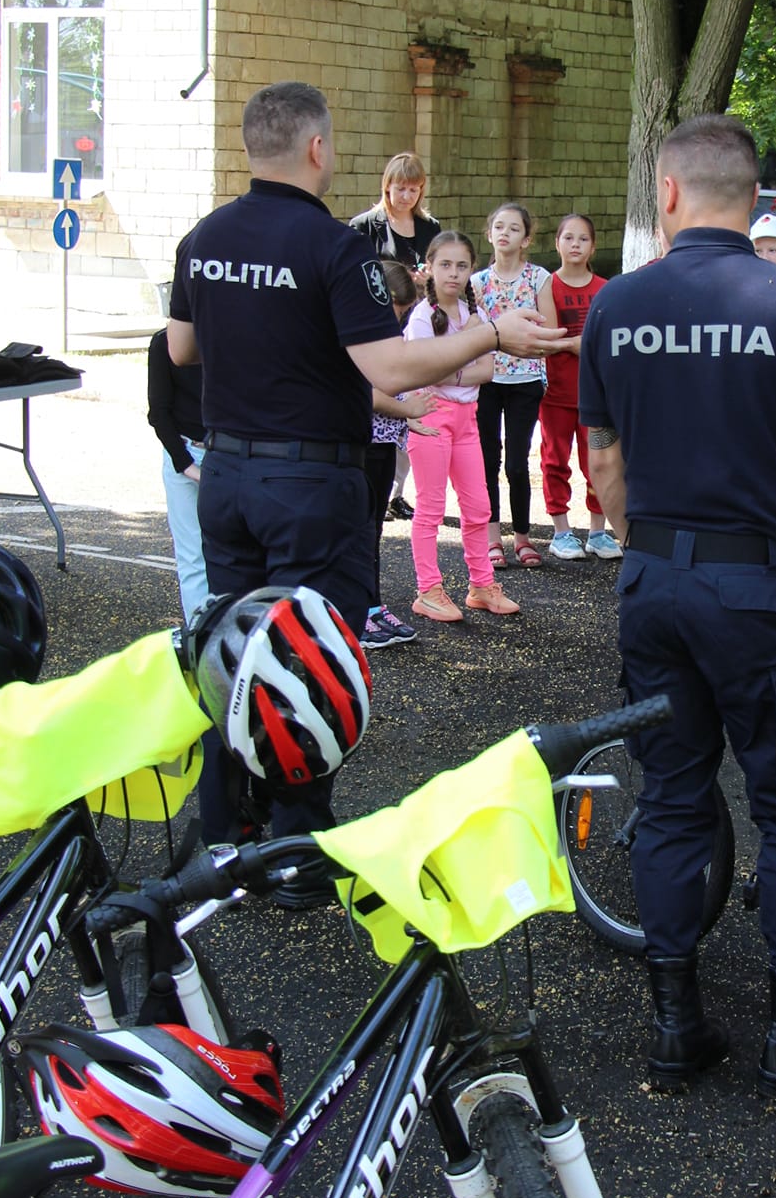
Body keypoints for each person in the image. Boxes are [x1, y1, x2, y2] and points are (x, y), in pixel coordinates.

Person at [579, 114, 776, 1100]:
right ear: (755, 200)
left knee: (671, 801)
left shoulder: (614, 305)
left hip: (655, 582)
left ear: (667, 193)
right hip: (758, 589)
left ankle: (676, 1026)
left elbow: (602, 461)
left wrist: (640, 546)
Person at [167, 81, 560, 844]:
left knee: (234, 652)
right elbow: (388, 367)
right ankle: (295, 848)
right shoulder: (335, 246)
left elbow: (181, 347)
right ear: (317, 148)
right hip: (309, 483)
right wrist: (489, 335)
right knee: (309, 662)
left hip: (228, 476)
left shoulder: (205, 235)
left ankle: (224, 830)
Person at [405, 232, 521, 624]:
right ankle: (428, 590)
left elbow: (487, 370)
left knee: (478, 506)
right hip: (431, 417)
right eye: (445, 265)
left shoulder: (477, 317)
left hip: (466, 418)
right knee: (431, 507)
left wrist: (451, 367)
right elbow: (424, 371)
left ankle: (482, 585)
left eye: (461, 265)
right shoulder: (422, 317)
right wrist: (462, 360)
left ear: (472, 269)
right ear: (429, 268)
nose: (453, 273)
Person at [350, 151, 444, 519]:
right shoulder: (364, 225)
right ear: (386, 187)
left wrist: (427, 280)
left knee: (411, 401)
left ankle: (397, 492)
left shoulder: (430, 228)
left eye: (413, 189)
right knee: (381, 398)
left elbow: (442, 272)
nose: (406, 196)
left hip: (415, 320)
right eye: (399, 188)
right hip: (376, 321)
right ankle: (378, 486)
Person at [474, 204, 554, 571]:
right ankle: (492, 537)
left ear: (526, 239)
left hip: (525, 380)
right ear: (489, 234)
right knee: (487, 460)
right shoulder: (477, 282)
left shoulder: (538, 278)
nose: (505, 233)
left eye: (514, 228)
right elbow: (469, 333)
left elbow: (549, 331)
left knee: (518, 463)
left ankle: (522, 536)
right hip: (487, 380)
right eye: (499, 227)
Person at [359, 261, 433, 652]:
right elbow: (364, 393)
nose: (399, 320)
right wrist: (407, 410)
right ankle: (357, 611)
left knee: (372, 528)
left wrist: (407, 419)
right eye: (396, 310)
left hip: (384, 440)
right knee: (359, 528)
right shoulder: (357, 335)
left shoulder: (385, 335)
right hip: (361, 442)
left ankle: (371, 605)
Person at [541, 214, 621, 561]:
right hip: (555, 394)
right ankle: (561, 532)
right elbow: (545, 339)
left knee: (599, 462)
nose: (575, 244)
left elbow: (611, 339)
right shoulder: (546, 286)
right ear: (557, 243)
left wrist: (580, 345)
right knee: (555, 461)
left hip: (596, 394)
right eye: (568, 238)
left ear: (593, 246)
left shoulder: (606, 289)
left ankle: (598, 532)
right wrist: (573, 344)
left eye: (583, 239)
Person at [146, 327, 208, 625]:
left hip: (229, 453)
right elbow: (158, 413)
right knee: (192, 555)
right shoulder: (164, 342)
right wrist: (186, 466)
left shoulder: (230, 332)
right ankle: (199, 632)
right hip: (186, 450)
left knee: (237, 552)